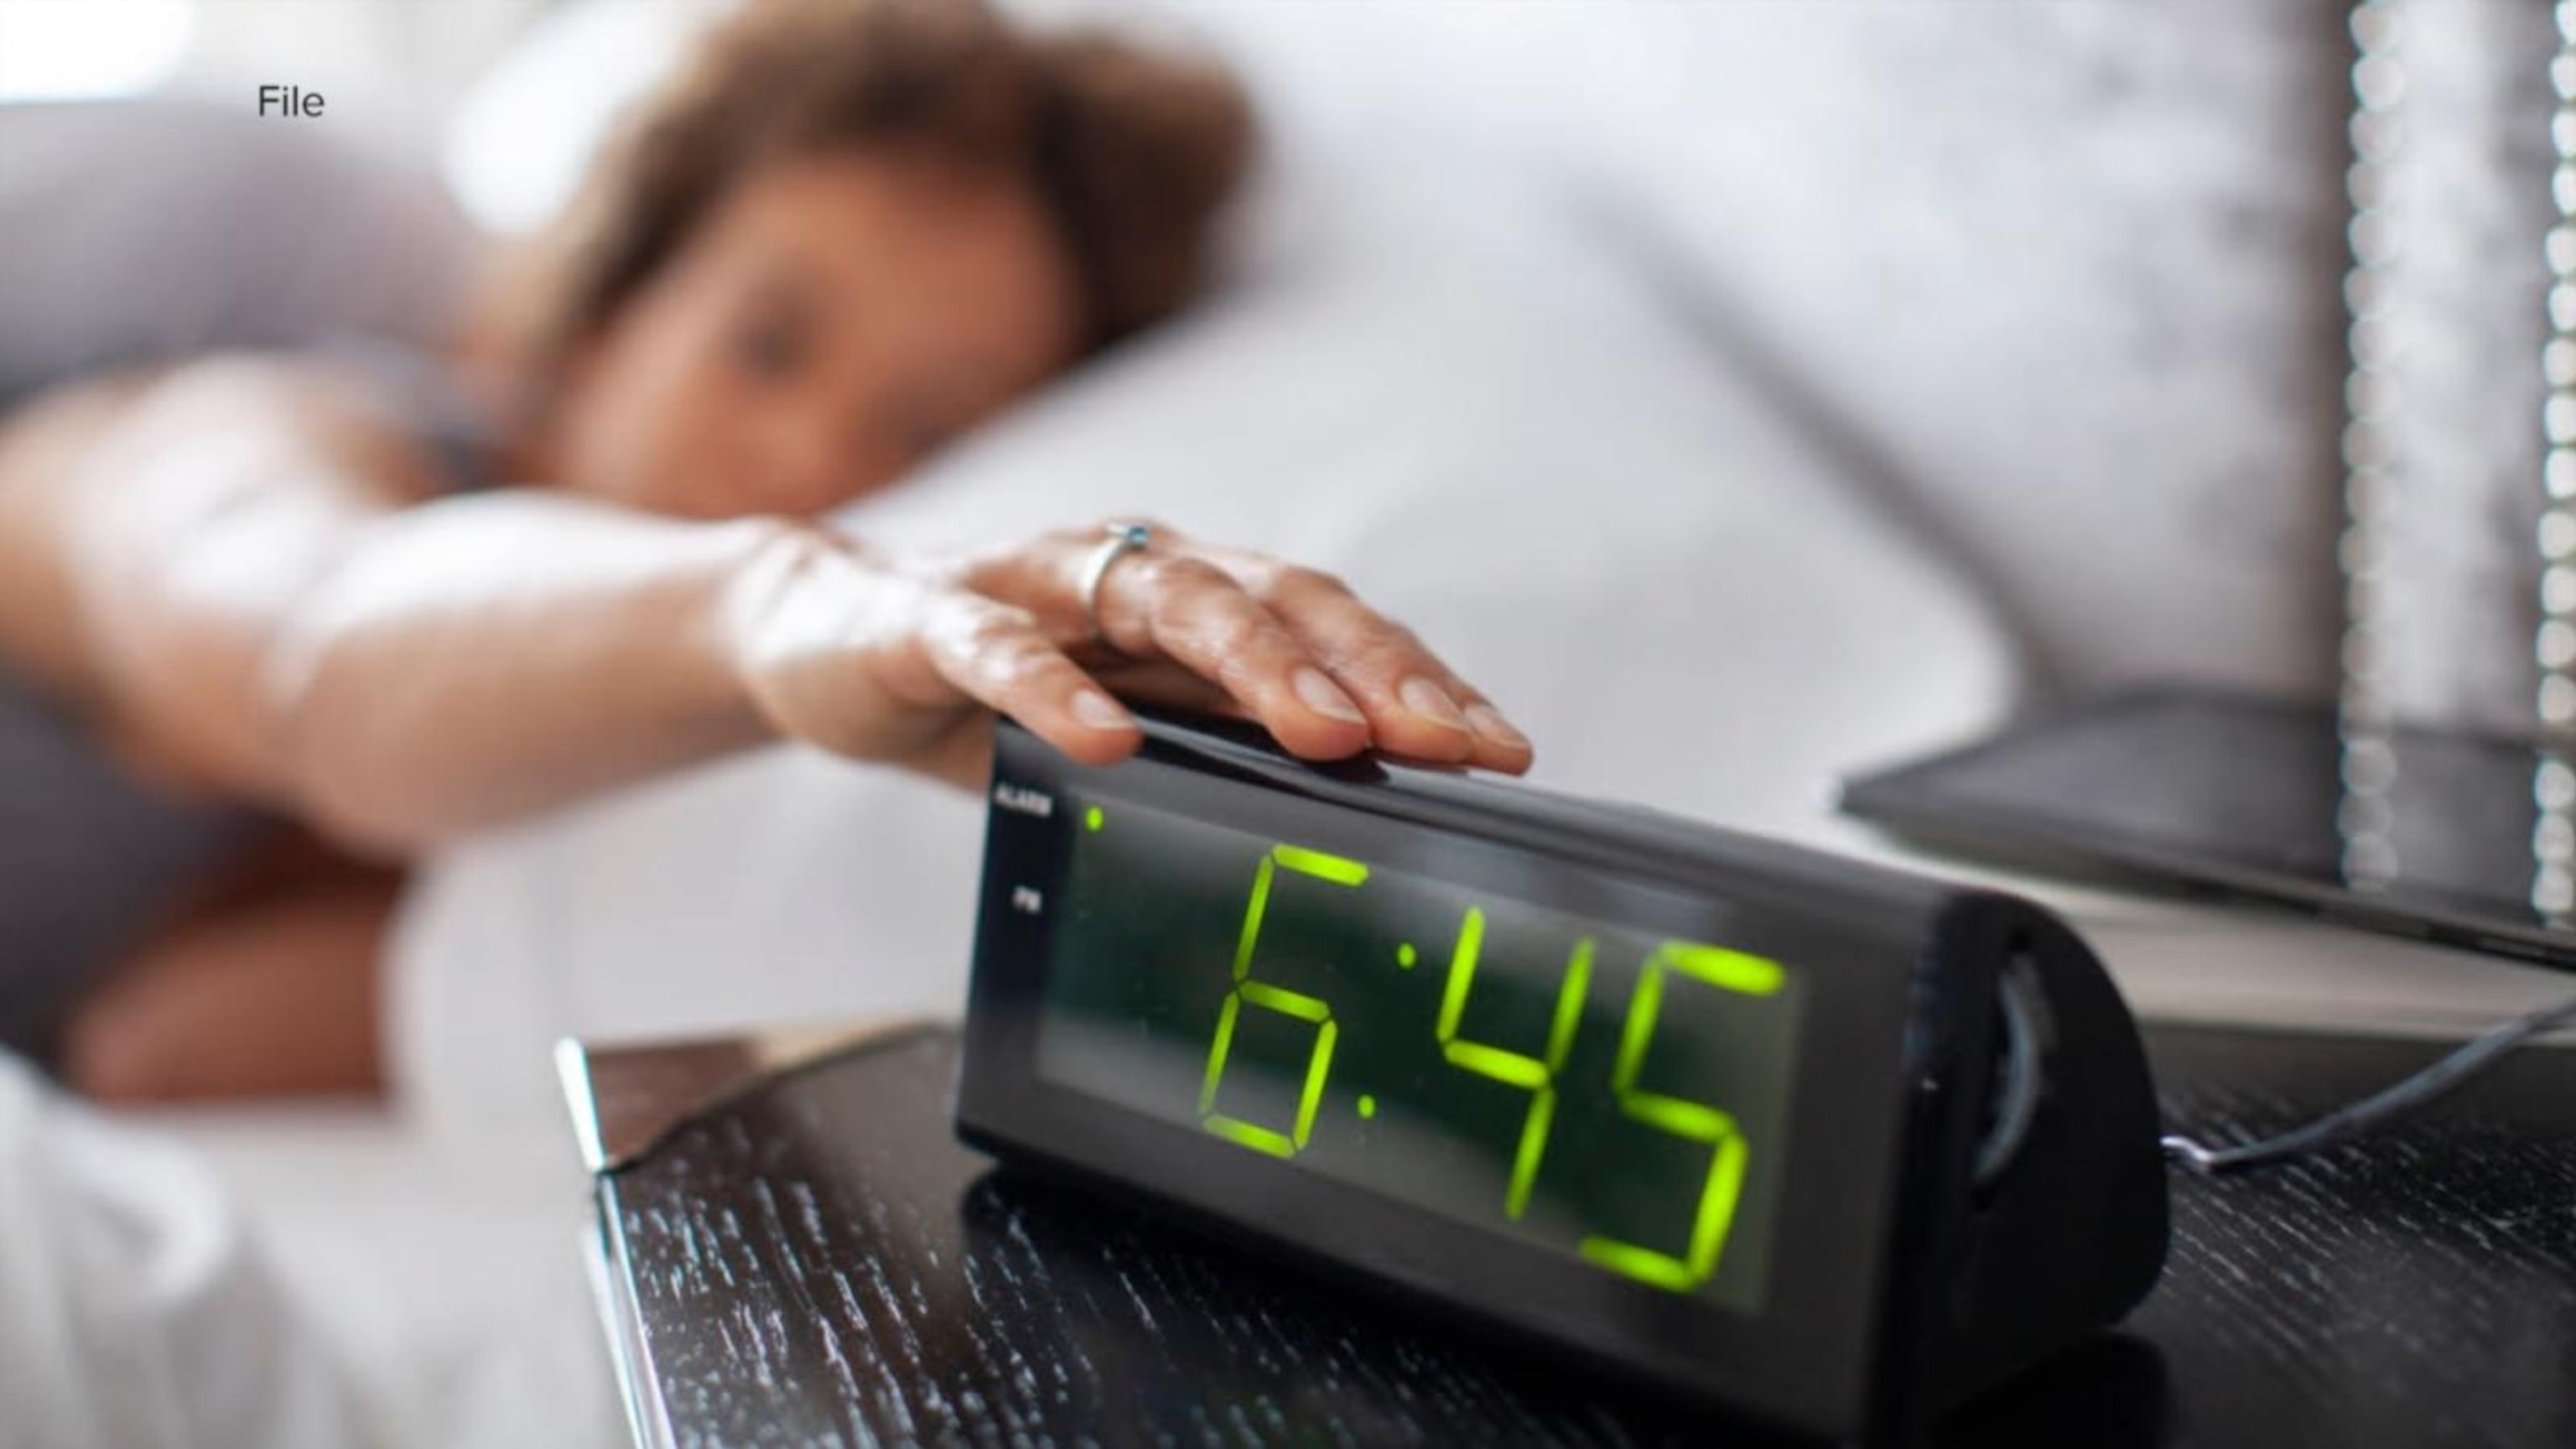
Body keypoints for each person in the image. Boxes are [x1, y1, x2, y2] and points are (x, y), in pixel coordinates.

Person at [0, 0, 1533, 1103]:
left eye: (927, 429)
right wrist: (792, 598)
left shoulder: (651, 786)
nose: (811, 463)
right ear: (613, 311)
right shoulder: (294, 429)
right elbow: (309, 638)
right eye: (768, 342)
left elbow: (158, 1044)